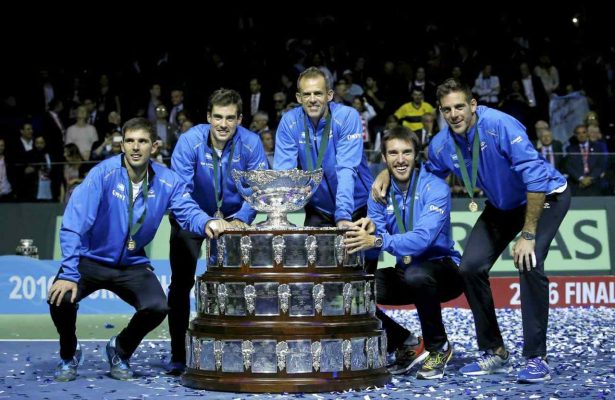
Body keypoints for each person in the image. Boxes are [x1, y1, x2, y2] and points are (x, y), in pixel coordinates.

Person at [372, 78, 570, 383]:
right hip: (502, 206)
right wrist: (387, 169)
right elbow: (424, 176)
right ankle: (495, 351)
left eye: (460, 107)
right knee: (470, 267)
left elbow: (535, 179)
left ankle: (536, 358)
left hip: (545, 196)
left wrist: (527, 236)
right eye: (447, 109)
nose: (454, 114)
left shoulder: (502, 125)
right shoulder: (440, 145)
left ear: (473, 105)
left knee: (529, 261)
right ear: (440, 111)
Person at [47, 118, 230, 382]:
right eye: (130, 141)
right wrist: (68, 272)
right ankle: (69, 352)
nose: (135, 147)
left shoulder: (168, 181)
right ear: (122, 145)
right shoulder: (103, 174)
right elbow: (75, 222)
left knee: (158, 307)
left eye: (142, 141)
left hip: (132, 263)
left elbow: (187, 211)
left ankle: (119, 350)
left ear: (154, 146)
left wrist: (207, 222)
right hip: (91, 259)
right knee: (60, 296)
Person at [345, 126, 462, 379]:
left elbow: (421, 240)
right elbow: (374, 228)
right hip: (406, 271)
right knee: (354, 292)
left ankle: (438, 347)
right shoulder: (379, 192)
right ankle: (405, 343)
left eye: (407, 152)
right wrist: (368, 235)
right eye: (394, 153)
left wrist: (376, 240)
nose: (400, 160)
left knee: (417, 274)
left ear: (416, 154)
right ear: (384, 158)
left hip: (444, 271)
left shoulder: (436, 188)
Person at [167, 88, 268, 375]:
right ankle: (178, 354)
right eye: (218, 117)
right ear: (208, 117)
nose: (223, 124)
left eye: (230, 118)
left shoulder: (251, 143)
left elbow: (258, 188)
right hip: (191, 218)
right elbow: (179, 194)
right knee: (180, 285)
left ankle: (238, 352)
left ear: (239, 119)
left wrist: (242, 219)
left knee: (240, 288)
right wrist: (204, 221)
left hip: (235, 221)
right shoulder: (189, 142)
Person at [273, 66, 374, 228]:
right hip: (319, 209)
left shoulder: (347, 117)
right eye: (307, 94)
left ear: (329, 95)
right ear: (299, 98)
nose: (312, 99)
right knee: (312, 253)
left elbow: (346, 169)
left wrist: (343, 214)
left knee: (365, 253)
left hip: (358, 206)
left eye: (318, 93)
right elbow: (284, 172)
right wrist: (280, 212)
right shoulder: (289, 122)